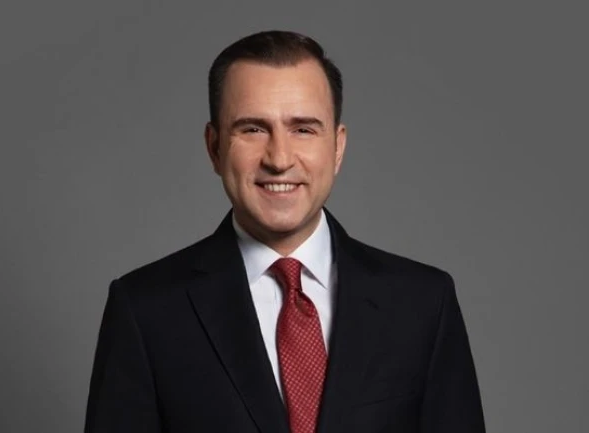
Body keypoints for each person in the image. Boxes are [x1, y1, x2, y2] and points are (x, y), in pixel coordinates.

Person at [83, 30, 485, 433]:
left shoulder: (423, 304)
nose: (279, 159)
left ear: (337, 147)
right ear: (215, 147)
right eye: (253, 129)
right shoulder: (145, 310)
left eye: (303, 129)